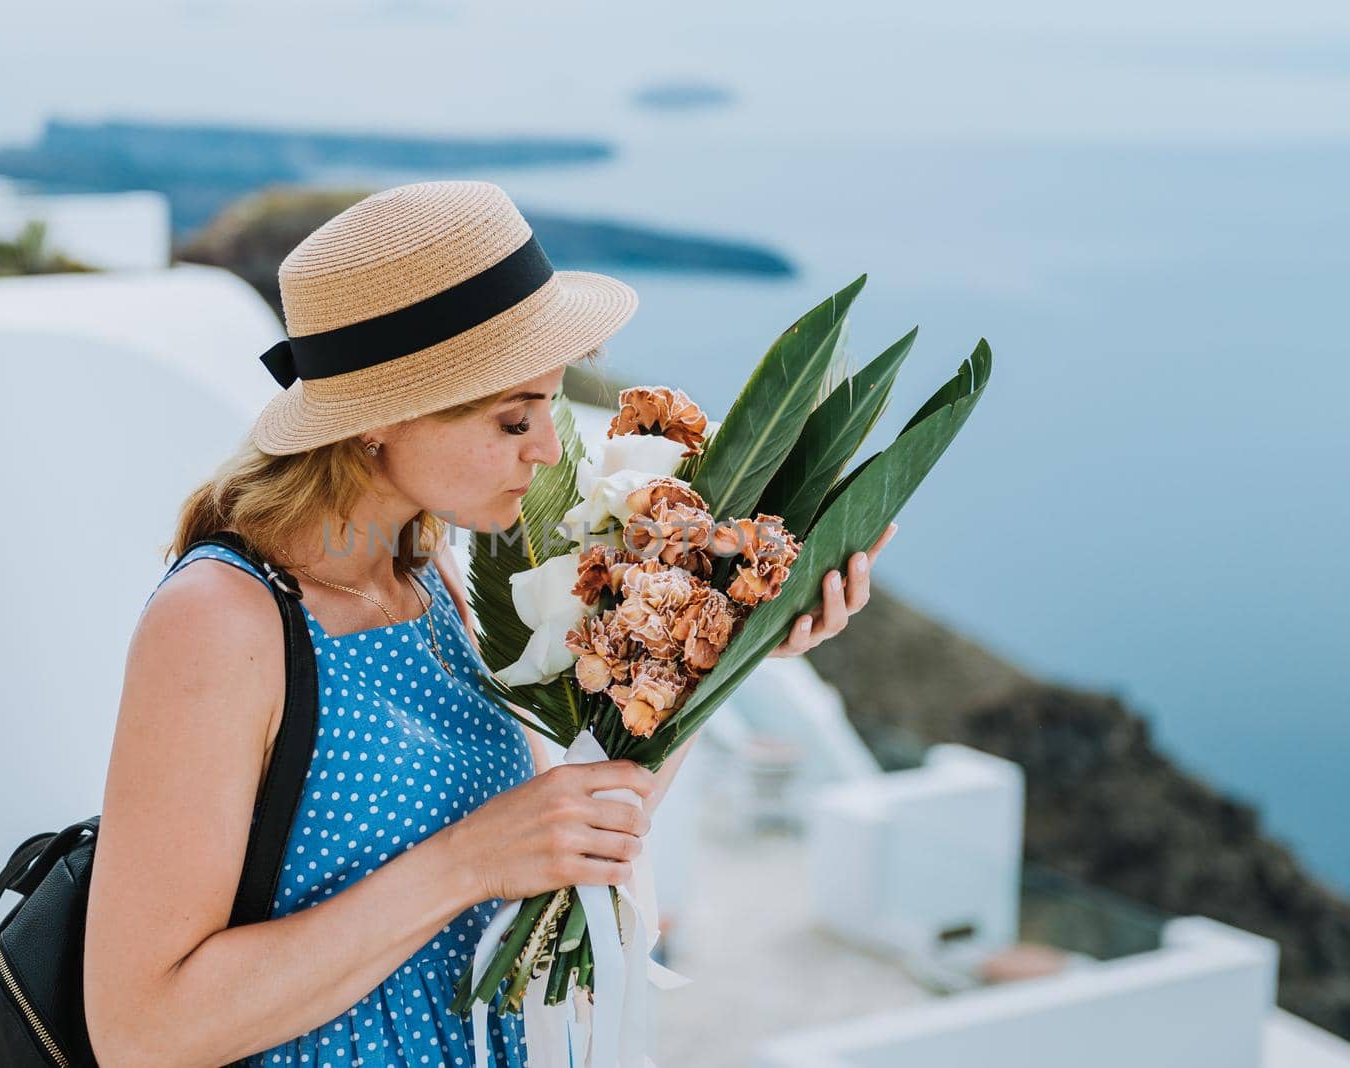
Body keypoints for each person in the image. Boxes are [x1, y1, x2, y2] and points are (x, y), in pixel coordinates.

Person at [81, 179, 889, 1067]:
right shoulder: (222, 621)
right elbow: (139, 1031)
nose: (547, 449)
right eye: (514, 418)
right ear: (379, 419)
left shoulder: (430, 583)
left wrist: (743, 640)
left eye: (547, 406)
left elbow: (563, 837)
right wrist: (467, 863)